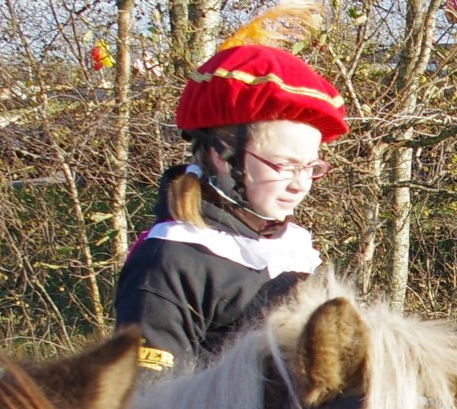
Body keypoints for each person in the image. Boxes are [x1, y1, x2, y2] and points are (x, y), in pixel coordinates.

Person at [115, 27, 344, 371]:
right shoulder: (169, 261)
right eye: (285, 166)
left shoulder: (291, 248)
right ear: (223, 156)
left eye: (311, 167)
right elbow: (152, 408)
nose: (301, 185)